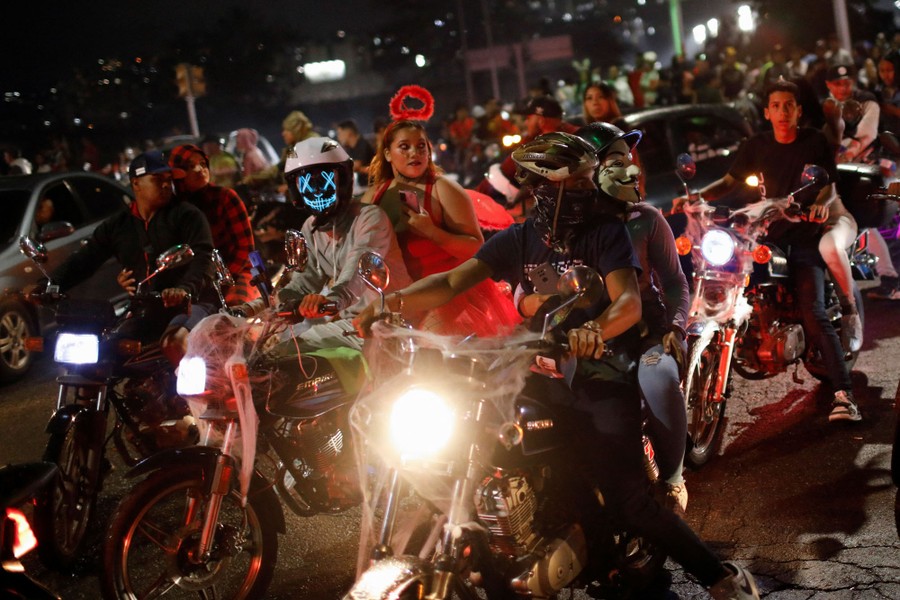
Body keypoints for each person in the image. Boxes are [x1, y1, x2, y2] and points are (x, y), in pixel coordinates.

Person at [354, 131, 760, 600]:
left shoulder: (606, 233)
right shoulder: (520, 239)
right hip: (537, 371)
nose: (591, 191)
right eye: (580, 183)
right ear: (545, 190)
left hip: (602, 371)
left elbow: (626, 300)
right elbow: (451, 281)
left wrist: (595, 331)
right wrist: (395, 303)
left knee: (628, 497)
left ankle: (721, 578)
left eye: (591, 181)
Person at [673, 79, 862, 422]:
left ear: (799, 110)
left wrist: (819, 206)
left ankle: (843, 394)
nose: (783, 112)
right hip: (765, 236)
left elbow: (827, 188)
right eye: (776, 106)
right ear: (767, 111)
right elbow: (730, 182)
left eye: (789, 105)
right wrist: (698, 197)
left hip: (803, 235)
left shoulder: (813, 141)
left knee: (813, 311)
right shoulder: (756, 145)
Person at [576, 121, 691, 516]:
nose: (626, 168)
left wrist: (676, 326)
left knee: (658, 378)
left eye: (626, 159)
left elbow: (675, 283)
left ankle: (674, 479)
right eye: (612, 159)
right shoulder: (571, 225)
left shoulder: (646, 218)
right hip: (590, 332)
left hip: (648, 331)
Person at [240, 137, 411, 351]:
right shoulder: (310, 228)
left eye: (325, 180)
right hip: (352, 323)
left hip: (389, 321)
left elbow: (357, 271)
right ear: (296, 190)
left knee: (294, 353)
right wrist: (251, 308)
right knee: (276, 358)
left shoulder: (369, 218)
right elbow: (304, 282)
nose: (317, 190)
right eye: (307, 183)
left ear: (344, 180)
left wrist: (331, 301)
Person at [50, 150, 215, 368]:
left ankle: (196, 401)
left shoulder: (187, 215)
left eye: (169, 180)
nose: (166, 185)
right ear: (136, 183)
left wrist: (184, 289)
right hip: (146, 309)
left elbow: (202, 257)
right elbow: (85, 259)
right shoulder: (117, 226)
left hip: (193, 304)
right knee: (99, 355)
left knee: (174, 343)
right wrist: (49, 286)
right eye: (158, 180)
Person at [363, 115, 519, 337]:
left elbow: (477, 249)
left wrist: (433, 232)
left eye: (421, 146)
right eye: (404, 147)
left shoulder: (444, 189)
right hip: (395, 298)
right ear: (387, 153)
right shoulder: (373, 195)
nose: (414, 153)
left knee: (429, 351)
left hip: (447, 295)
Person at [166, 143, 257, 305]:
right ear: (177, 175)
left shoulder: (225, 197)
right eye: (189, 166)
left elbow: (245, 249)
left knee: (235, 311)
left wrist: (221, 279)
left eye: (202, 164)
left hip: (237, 272)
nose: (199, 169)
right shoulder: (175, 210)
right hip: (196, 281)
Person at [822, 64, 880, 163]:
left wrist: (847, 155)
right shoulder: (824, 105)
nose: (843, 88)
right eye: (837, 84)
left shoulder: (866, 100)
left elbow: (867, 135)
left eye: (847, 83)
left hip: (863, 158)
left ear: (853, 82)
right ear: (828, 84)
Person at [335, 119, 376, 195]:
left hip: (372, 187)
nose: (338, 137)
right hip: (363, 186)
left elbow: (355, 166)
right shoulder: (350, 148)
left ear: (348, 133)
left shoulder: (362, 144)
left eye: (340, 133)